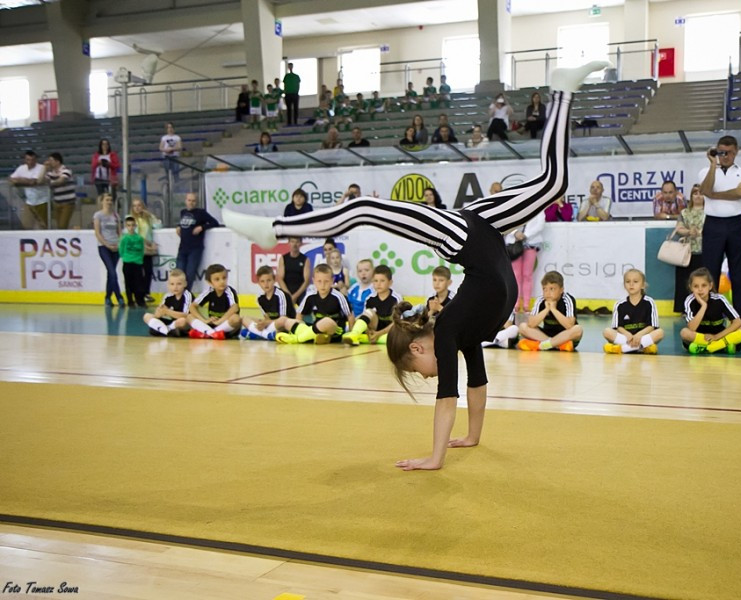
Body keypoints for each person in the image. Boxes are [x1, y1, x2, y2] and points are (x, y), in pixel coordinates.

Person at [222, 60, 609, 471]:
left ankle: (274, 228)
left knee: (366, 208)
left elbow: (448, 397)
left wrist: (434, 458)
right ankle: (562, 90)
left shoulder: (446, 332)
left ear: (419, 346)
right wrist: (473, 436)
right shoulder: (465, 334)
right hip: (486, 225)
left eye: (418, 369)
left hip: (459, 231)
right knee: (555, 184)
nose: (428, 376)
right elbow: (476, 384)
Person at [698, 135, 741, 323]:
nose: (725, 156)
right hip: (713, 224)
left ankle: (740, 320)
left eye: (729, 153)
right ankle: (710, 318)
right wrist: (713, 165)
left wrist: (715, 195)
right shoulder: (706, 170)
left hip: (737, 224)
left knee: (739, 274)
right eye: (721, 152)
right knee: (709, 273)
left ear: (736, 151)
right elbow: (705, 189)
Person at [680, 267, 741, 355]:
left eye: (704, 285)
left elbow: (738, 322)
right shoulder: (689, 300)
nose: (700, 289)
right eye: (696, 286)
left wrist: (716, 337)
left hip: (720, 335)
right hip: (701, 337)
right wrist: (704, 306)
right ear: (690, 287)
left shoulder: (719, 299)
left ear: (710, 286)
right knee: (684, 333)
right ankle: (724, 346)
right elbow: (692, 328)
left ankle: (709, 347)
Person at [277, 264, 354, 345]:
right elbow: (299, 315)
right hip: (315, 328)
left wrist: (351, 335)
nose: (322, 285)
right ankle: (314, 337)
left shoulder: (339, 296)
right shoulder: (310, 296)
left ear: (332, 280)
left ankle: (299, 339)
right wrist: (299, 326)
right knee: (287, 321)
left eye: (326, 281)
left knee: (327, 321)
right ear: (313, 281)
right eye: (319, 281)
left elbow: (350, 316)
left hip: (334, 330)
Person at [517, 270, 583, 351]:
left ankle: (543, 345)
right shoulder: (540, 300)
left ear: (561, 290)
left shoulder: (567, 299)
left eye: (552, 289)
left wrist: (553, 309)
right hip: (546, 335)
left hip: (565, 336)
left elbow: (569, 325)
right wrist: (546, 309)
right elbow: (531, 324)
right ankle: (555, 345)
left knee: (578, 329)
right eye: (545, 289)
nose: (548, 293)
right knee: (522, 327)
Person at [602, 269, 664, 354]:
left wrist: (639, 335)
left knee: (660, 333)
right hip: (626, 338)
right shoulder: (619, 304)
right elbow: (617, 327)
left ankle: (622, 349)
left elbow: (652, 326)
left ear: (643, 285)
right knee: (607, 332)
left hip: (643, 337)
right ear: (624, 285)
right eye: (628, 281)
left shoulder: (649, 302)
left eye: (635, 281)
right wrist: (627, 334)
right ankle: (642, 348)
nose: (631, 284)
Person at [342, 265, 403, 345]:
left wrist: (379, 334)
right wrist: (369, 331)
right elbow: (365, 319)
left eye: (382, 281)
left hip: (389, 331)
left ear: (390, 283)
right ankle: (354, 334)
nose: (378, 284)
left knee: (396, 338)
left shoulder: (396, 298)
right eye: (375, 281)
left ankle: (366, 338)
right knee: (368, 312)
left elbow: (397, 323)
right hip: (375, 328)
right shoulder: (369, 298)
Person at [176, 192, 219, 292]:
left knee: (190, 273)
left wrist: (202, 227)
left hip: (195, 248)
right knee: (179, 273)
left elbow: (214, 222)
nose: (191, 203)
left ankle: (186, 294)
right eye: (189, 200)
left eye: (193, 201)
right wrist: (179, 226)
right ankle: (178, 295)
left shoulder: (201, 213)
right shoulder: (183, 212)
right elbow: (183, 223)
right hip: (183, 248)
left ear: (196, 202)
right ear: (185, 201)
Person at [673, 184, 705, 313]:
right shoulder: (684, 212)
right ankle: (684, 308)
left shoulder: (709, 213)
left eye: (700, 193)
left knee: (701, 281)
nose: (698, 196)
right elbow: (679, 228)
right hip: (686, 252)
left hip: (703, 250)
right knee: (684, 281)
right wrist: (688, 232)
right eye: (695, 193)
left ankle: (702, 307)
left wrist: (701, 232)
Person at [241, 265, 296, 340]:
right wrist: (262, 323)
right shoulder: (260, 298)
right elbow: (266, 317)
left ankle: (257, 333)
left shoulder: (281, 295)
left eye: (269, 280)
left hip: (284, 326)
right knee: (244, 318)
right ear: (259, 283)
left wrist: (266, 323)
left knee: (282, 320)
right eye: (262, 281)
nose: (266, 284)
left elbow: (284, 319)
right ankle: (267, 335)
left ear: (274, 280)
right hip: (271, 325)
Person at [188, 264, 242, 339]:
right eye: (217, 279)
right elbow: (192, 306)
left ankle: (208, 333)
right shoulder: (209, 291)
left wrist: (220, 321)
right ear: (210, 282)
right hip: (212, 325)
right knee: (189, 316)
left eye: (224, 278)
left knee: (236, 318)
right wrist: (204, 320)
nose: (222, 281)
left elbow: (235, 307)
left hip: (226, 327)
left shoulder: (230, 291)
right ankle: (212, 333)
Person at [506, 209, 544, 313]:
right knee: (516, 275)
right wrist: (515, 233)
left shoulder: (539, 207)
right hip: (513, 243)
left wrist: (525, 235)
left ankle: (527, 304)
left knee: (527, 275)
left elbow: (540, 224)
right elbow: (506, 221)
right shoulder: (514, 205)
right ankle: (516, 303)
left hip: (531, 242)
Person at [93, 193, 124, 307]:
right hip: (104, 247)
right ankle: (119, 297)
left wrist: (119, 243)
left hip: (116, 246)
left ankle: (107, 298)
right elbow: (97, 232)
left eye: (111, 200)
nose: (109, 202)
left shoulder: (116, 215)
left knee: (111, 274)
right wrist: (106, 244)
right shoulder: (98, 215)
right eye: (107, 200)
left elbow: (120, 232)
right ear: (102, 201)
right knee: (112, 272)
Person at [129, 198, 161, 304]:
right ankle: (138, 295)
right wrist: (145, 243)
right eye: (135, 206)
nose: (137, 208)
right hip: (137, 248)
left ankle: (146, 293)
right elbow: (131, 232)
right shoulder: (130, 219)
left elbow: (158, 225)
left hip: (147, 250)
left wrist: (150, 215)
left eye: (139, 205)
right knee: (137, 273)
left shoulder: (147, 218)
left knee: (148, 271)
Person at [143, 268, 192, 337]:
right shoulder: (167, 296)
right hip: (171, 322)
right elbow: (158, 314)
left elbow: (186, 315)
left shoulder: (188, 295)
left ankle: (161, 329)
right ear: (168, 285)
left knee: (183, 321)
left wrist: (167, 312)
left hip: (181, 323)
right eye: (172, 284)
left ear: (185, 284)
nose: (175, 287)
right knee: (147, 316)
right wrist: (159, 312)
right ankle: (167, 331)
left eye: (179, 284)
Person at [9, 150, 50, 229]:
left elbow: (35, 182)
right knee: (26, 225)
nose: (30, 162)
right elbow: (11, 180)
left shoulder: (41, 168)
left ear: (36, 160)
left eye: (32, 160)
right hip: (29, 201)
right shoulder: (21, 168)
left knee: (43, 225)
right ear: (25, 160)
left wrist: (19, 180)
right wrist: (26, 181)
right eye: (28, 160)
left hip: (42, 201)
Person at [119, 216, 147, 308]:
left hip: (138, 263)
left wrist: (139, 259)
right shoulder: (124, 238)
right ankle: (130, 301)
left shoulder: (139, 238)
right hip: (127, 263)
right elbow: (121, 250)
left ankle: (140, 300)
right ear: (126, 227)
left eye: (132, 225)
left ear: (135, 226)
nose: (131, 227)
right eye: (128, 225)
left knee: (139, 283)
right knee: (128, 283)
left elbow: (142, 250)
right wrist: (126, 257)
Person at [44, 152, 76, 229]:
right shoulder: (50, 173)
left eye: (51, 160)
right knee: (59, 226)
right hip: (57, 202)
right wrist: (43, 168)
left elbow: (61, 181)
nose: (49, 162)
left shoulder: (66, 170)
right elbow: (42, 180)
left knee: (62, 225)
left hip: (68, 202)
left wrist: (51, 183)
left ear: (57, 161)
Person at [276, 237, 310, 306]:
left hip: (300, 291)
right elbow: (280, 278)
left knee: (306, 306)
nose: (294, 244)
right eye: (292, 241)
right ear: (288, 243)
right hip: (286, 290)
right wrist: (288, 295)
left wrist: (295, 296)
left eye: (297, 242)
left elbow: (306, 281)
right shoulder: (283, 258)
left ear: (301, 243)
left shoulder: (305, 259)